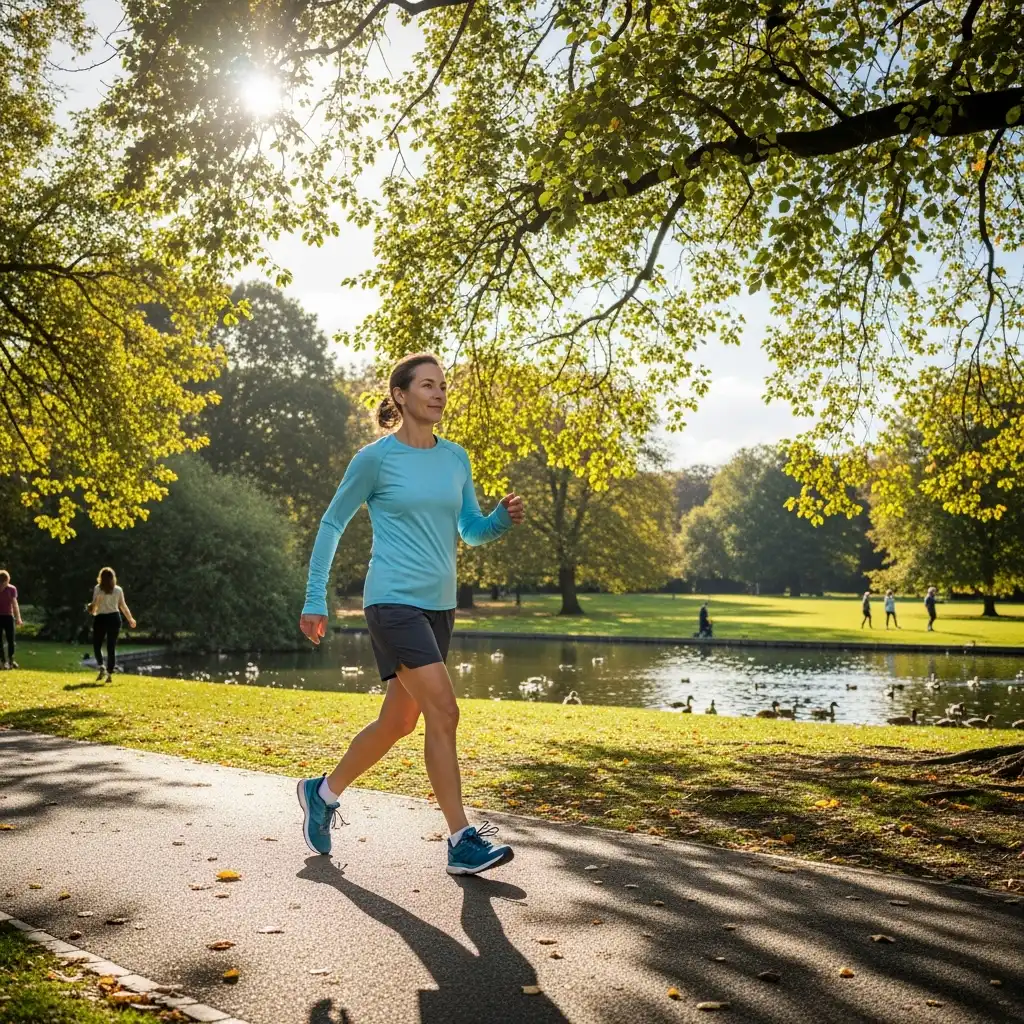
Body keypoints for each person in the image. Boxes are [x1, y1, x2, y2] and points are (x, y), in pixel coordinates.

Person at [297, 353, 525, 875]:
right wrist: (315, 597)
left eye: (443, 385)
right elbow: (332, 524)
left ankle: (322, 793)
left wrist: (497, 521)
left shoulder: (456, 459)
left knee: (399, 720)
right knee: (444, 712)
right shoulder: (375, 459)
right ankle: (460, 840)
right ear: (400, 395)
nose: (439, 393)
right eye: (428, 385)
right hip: (393, 602)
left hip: (439, 606)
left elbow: (468, 529)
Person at [87, 567, 136, 682]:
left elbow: (94, 607)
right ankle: (109, 673)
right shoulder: (118, 590)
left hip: (101, 618)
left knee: (97, 644)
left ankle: (101, 666)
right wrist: (130, 619)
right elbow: (123, 606)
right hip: (114, 618)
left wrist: (91, 606)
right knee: (111, 647)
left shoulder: (98, 589)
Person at [0, 570, 23, 670]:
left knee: (11, 640)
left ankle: (11, 660)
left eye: (5, 583)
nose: (3, 585)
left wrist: (18, 618)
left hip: (8, 616)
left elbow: (14, 604)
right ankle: (3, 661)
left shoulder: (11, 589)